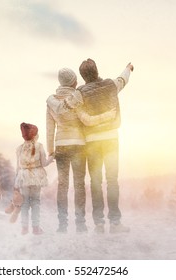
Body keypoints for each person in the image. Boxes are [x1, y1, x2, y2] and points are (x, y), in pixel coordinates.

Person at [46, 68, 116, 233]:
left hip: (61, 145)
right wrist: (107, 117)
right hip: (78, 145)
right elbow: (86, 120)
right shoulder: (77, 97)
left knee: (62, 185)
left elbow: (50, 129)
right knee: (79, 185)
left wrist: (50, 150)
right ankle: (80, 224)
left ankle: (62, 225)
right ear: (73, 81)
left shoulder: (51, 101)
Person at [76, 58, 134, 234]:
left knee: (95, 182)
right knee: (112, 181)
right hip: (110, 140)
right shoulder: (110, 85)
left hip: (91, 142)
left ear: (83, 76)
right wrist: (128, 68)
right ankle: (115, 224)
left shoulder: (80, 93)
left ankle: (99, 224)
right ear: (96, 70)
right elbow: (122, 80)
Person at [15, 122, 53, 235]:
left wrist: (16, 182)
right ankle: (36, 228)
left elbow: (18, 167)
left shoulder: (19, 148)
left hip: (23, 177)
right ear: (35, 135)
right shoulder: (39, 146)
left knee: (25, 203)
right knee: (36, 202)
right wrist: (52, 158)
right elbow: (44, 163)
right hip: (36, 178)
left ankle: (24, 228)